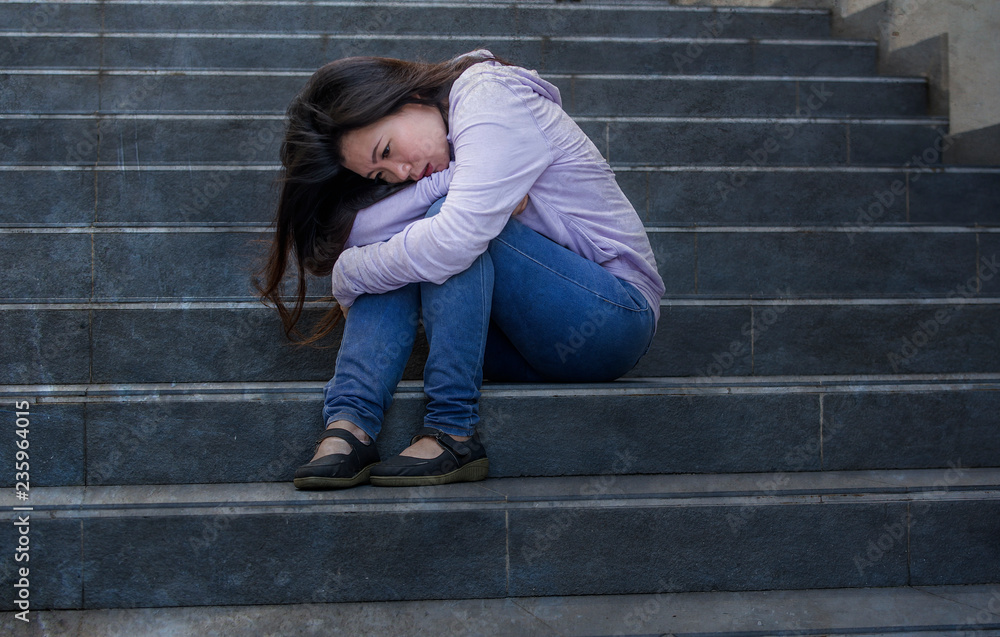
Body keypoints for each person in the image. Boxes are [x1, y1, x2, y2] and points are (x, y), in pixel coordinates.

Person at [256, 49, 665, 490]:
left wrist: (350, 273)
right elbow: (364, 232)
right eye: (381, 176)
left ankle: (452, 431)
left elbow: (455, 241)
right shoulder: (445, 154)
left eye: (387, 150)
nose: (401, 172)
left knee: (439, 232)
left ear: (408, 97)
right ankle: (350, 421)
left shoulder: (487, 95)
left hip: (612, 319)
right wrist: (447, 183)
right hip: (518, 345)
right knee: (406, 242)